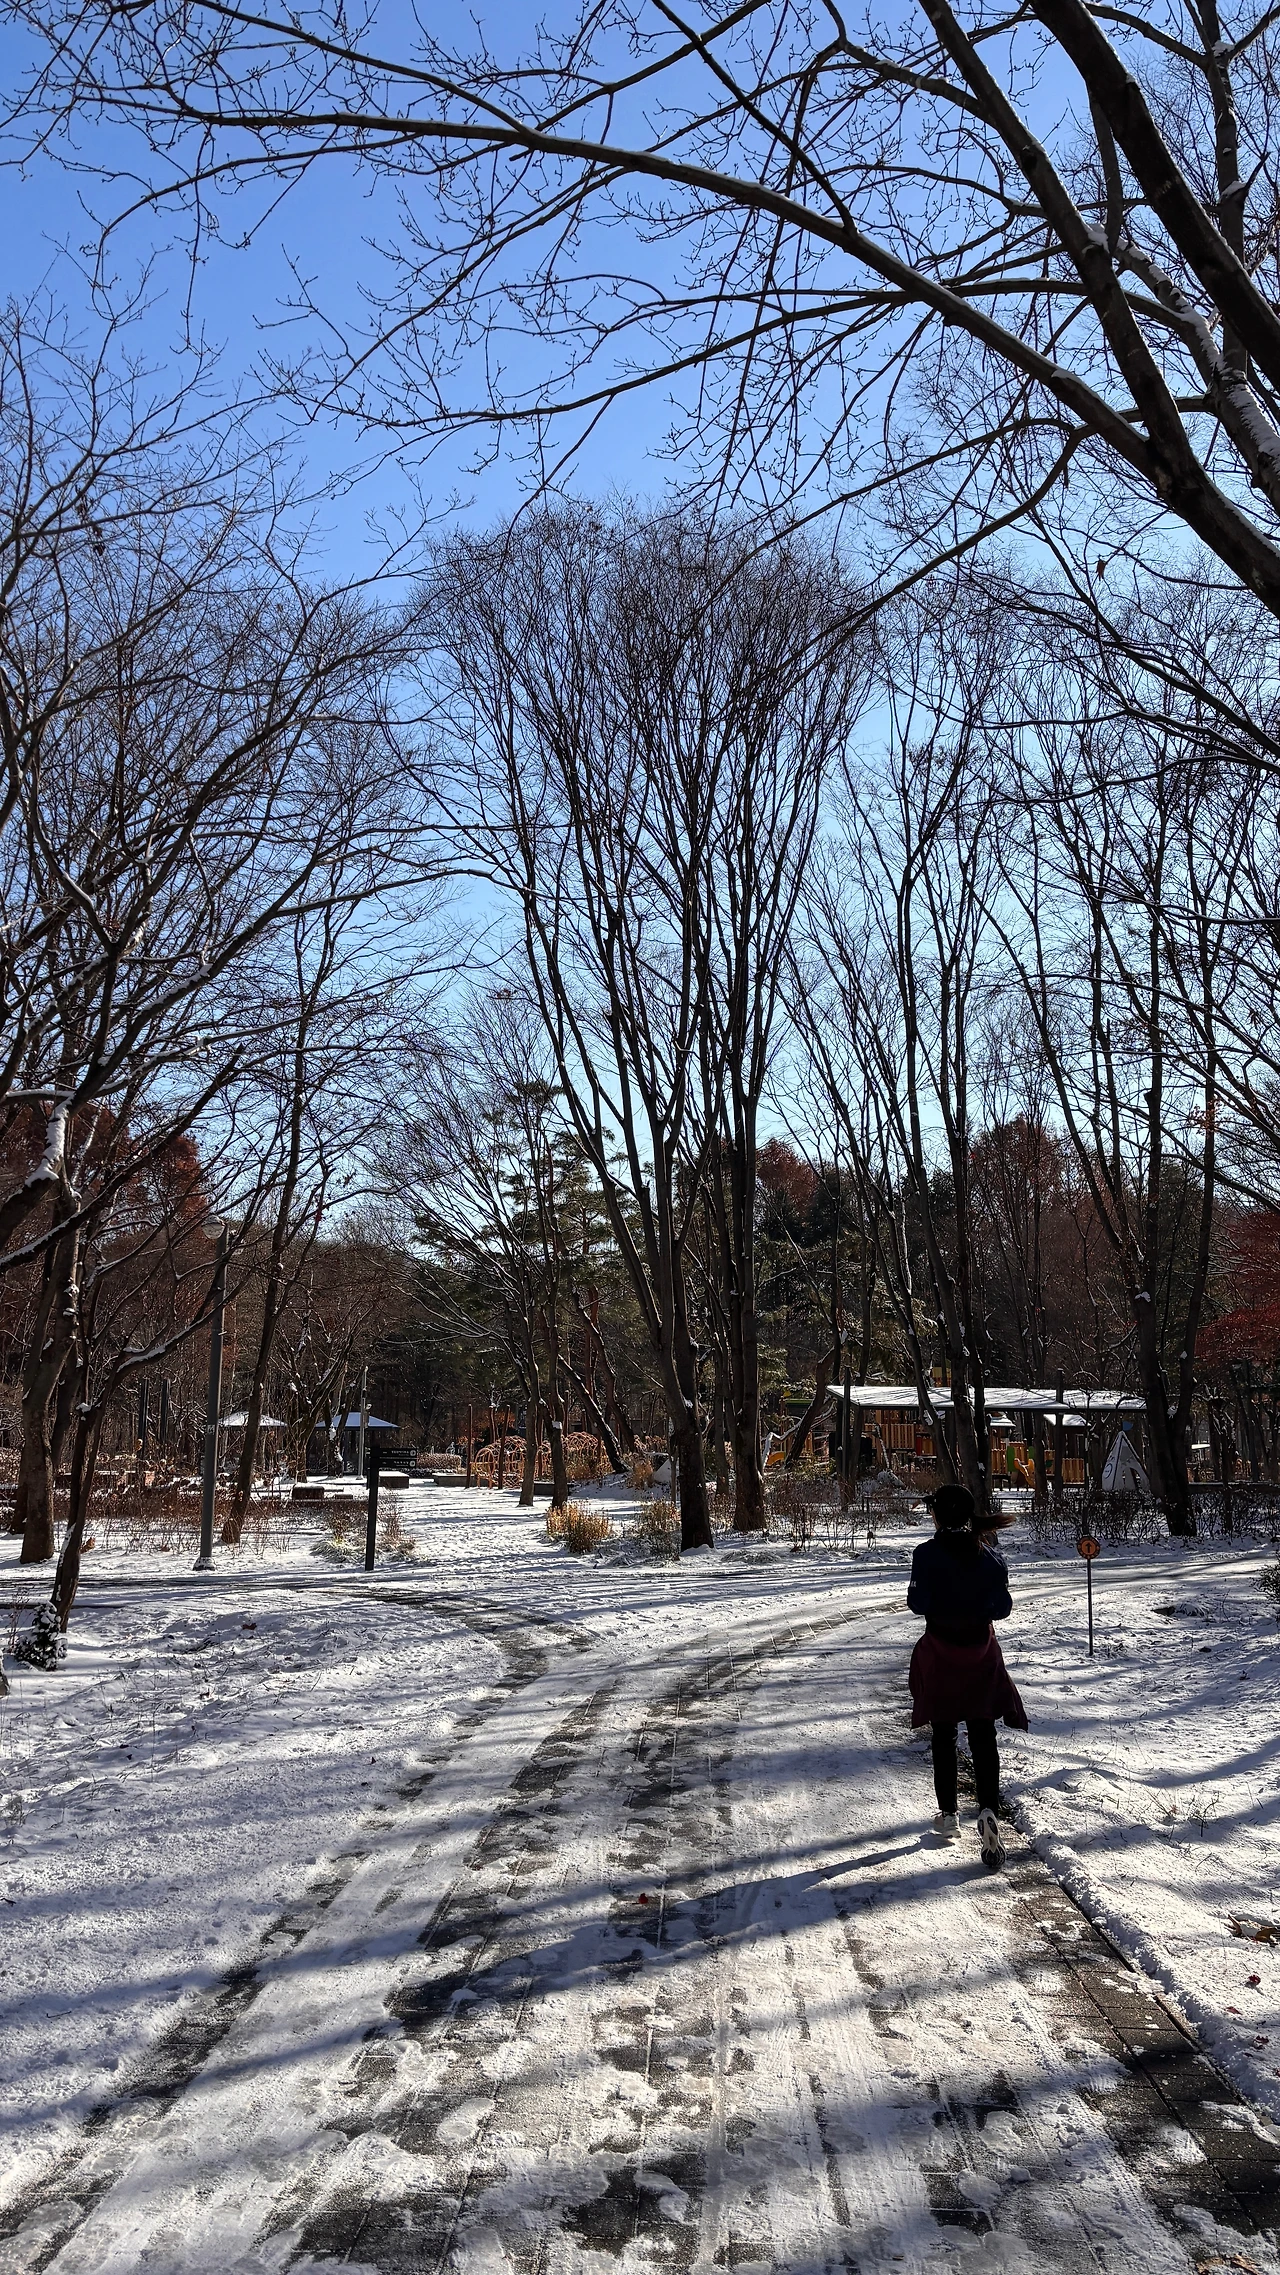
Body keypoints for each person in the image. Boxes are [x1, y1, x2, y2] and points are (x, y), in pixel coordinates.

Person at [907, 1483, 1028, 1870]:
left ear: (938, 1516)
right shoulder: (991, 1558)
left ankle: (948, 1815)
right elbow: (1003, 1609)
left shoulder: (925, 1554)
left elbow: (917, 1604)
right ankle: (988, 1809)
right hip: (981, 1656)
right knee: (983, 1733)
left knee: (943, 1735)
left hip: (941, 1656)